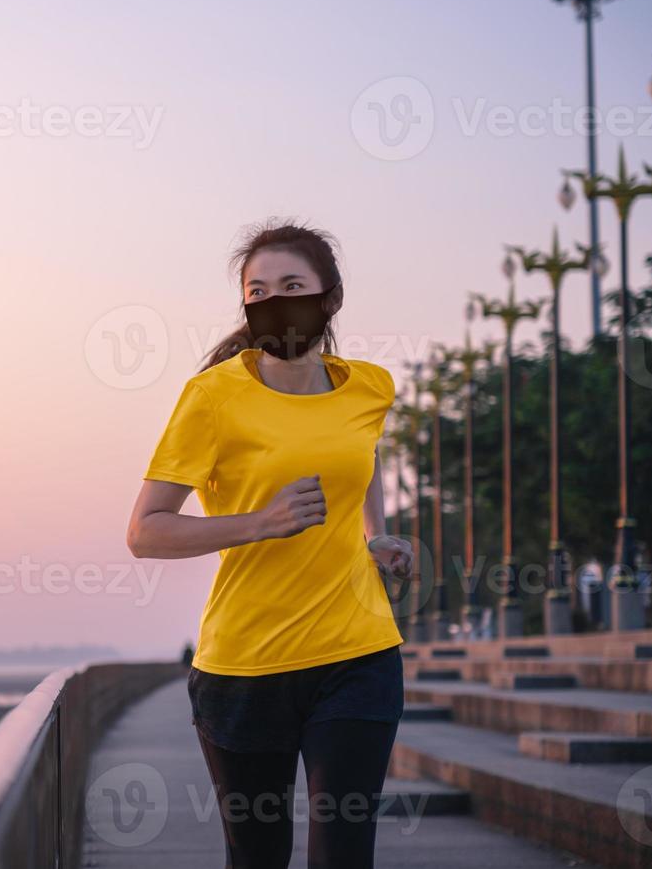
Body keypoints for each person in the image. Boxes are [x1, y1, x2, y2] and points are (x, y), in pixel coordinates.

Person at [126, 220, 414, 869]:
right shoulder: (212, 398)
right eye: (258, 292)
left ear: (330, 298)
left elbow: (358, 456)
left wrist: (378, 535)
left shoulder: (369, 388)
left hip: (357, 654)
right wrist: (260, 522)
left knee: (343, 854)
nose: (274, 301)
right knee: (258, 855)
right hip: (245, 668)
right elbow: (146, 530)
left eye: (292, 285)